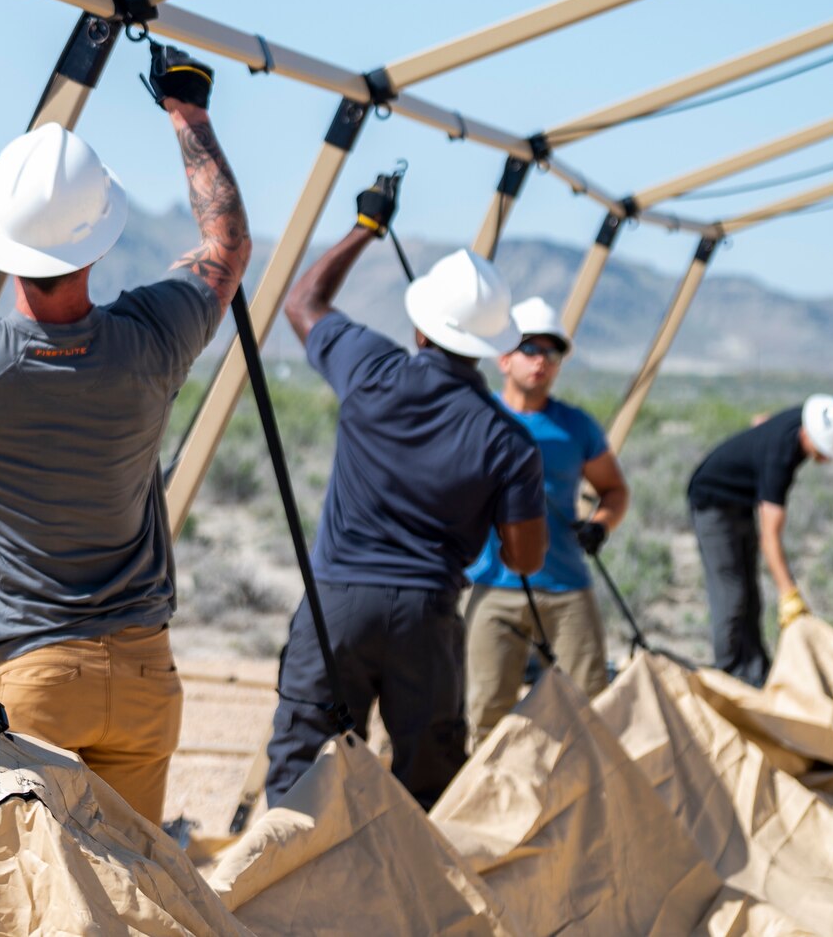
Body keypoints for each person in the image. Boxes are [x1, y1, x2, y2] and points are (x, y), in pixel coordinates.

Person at [0, 43, 250, 824]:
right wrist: (187, 109)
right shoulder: (152, 337)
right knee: (125, 896)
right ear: (101, 237)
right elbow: (225, 244)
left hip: (29, 682)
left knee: (21, 899)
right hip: (144, 677)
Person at [264, 188, 547, 811]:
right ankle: (414, 903)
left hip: (335, 605)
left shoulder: (369, 368)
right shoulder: (510, 442)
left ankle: (286, 900)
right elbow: (524, 557)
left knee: (304, 772)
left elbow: (304, 302)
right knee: (432, 781)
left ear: (420, 326)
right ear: (491, 346)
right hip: (427, 617)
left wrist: (365, 227)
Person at [463, 296, 630, 745]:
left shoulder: (577, 427)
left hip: (566, 585)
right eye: (530, 349)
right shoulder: (477, 418)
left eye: (551, 352)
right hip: (492, 586)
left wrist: (600, 525)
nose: (541, 361)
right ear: (503, 358)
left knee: (595, 708)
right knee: (485, 712)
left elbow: (615, 490)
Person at [687, 393, 833, 687]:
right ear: (809, 434)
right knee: (731, 595)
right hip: (711, 502)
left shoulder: (803, 419)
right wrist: (789, 593)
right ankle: (728, 677)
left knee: (751, 596)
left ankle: (755, 672)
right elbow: (770, 537)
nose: (824, 459)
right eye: (822, 452)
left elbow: (762, 420)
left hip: (739, 501)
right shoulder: (781, 456)